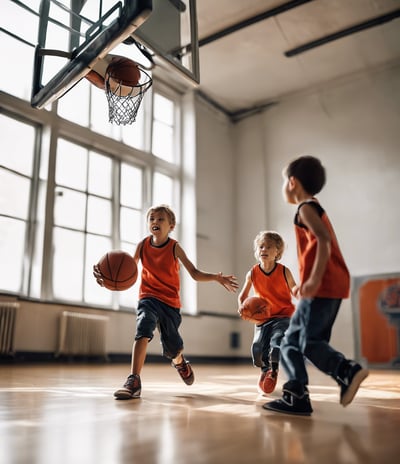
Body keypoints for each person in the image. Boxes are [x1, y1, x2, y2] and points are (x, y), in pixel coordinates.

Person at [94, 204, 238, 400]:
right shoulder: (142, 245)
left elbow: (194, 273)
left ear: (171, 225)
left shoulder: (174, 247)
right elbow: (129, 271)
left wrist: (216, 277)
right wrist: (106, 279)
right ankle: (134, 380)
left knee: (172, 348)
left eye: (160, 219)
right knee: (143, 329)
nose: (155, 222)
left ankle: (179, 361)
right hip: (148, 298)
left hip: (170, 303)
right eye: (152, 218)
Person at [264, 156, 369, 416]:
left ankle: (341, 372)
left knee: (293, 342)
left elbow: (323, 241)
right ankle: (304, 391)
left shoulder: (305, 208)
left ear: (292, 182)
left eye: (282, 182)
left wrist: (312, 281)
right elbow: (319, 245)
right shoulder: (314, 206)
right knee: (307, 342)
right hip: (331, 285)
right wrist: (306, 283)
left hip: (323, 285)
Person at [238, 231, 297, 395]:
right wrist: (241, 307)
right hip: (263, 318)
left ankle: (274, 371)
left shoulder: (284, 271)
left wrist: (301, 293)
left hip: (283, 316)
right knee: (257, 349)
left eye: (268, 247)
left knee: (276, 343)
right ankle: (265, 369)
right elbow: (243, 295)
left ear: (277, 252)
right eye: (261, 246)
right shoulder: (253, 273)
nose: (263, 249)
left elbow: (294, 288)